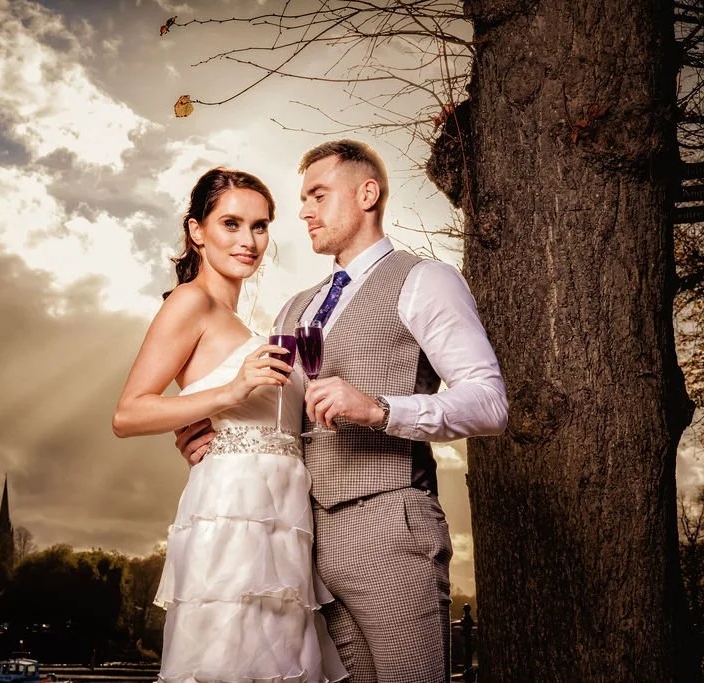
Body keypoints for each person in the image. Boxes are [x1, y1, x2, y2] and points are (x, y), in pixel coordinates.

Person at [176, 140, 508, 683]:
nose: (303, 211)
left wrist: (380, 410)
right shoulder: (294, 305)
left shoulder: (425, 280)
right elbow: (268, 404)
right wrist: (202, 432)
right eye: (303, 198)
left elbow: (489, 403)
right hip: (303, 539)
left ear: (368, 194)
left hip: (390, 526)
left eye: (318, 195)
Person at [113, 167, 348, 683]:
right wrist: (230, 392)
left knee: (276, 658)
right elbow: (128, 413)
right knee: (228, 654)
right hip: (234, 508)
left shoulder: (253, 322)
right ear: (197, 230)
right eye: (231, 224)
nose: (249, 241)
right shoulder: (190, 302)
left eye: (260, 226)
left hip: (284, 510)